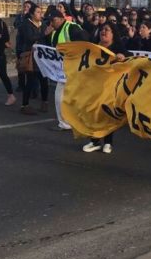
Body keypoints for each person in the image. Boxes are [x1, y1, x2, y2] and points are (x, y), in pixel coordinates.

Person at [82, 22, 129, 154]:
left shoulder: (118, 48)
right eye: (102, 29)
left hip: (110, 88)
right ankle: (95, 141)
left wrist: (122, 57)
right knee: (93, 113)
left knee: (107, 114)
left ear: (113, 34)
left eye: (107, 30)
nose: (104, 32)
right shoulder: (94, 47)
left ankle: (108, 142)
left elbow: (130, 57)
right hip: (94, 86)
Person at [45, 9, 89, 131]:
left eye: (53, 20)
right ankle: (71, 121)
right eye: (50, 21)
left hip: (74, 68)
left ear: (61, 19)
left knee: (62, 96)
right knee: (68, 96)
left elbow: (85, 39)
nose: (51, 23)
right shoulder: (55, 31)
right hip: (64, 70)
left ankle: (66, 123)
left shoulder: (71, 27)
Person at [17, 4, 49, 115]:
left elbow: (47, 39)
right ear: (32, 14)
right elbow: (29, 38)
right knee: (30, 80)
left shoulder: (43, 24)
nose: (40, 14)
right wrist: (44, 34)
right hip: (31, 55)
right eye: (38, 12)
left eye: (41, 12)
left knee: (44, 80)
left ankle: (44, 102)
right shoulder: (26, 24)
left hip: (42, 56)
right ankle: (25, 105)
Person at [14, 0, 34, 92]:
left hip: (28, 45)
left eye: (28, 7)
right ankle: (21, 84)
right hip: (20, 44)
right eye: (24, 6)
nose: (25, 8)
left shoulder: (32, 17)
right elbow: (16, 25)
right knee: (20, 66)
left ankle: (31, 87)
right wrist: (23, 17)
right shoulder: (19, 16)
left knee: (30, 67)